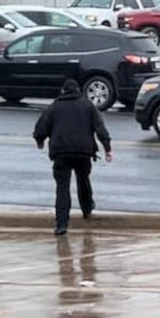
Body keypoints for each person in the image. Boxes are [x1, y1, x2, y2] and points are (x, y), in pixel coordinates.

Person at [33, 79, 113, 236]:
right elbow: (100, 128)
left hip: (61, 153)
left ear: (63, 91)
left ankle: (61, 224)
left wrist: (40, 141)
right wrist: (107, 148)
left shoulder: (54, 106)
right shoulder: (87, 105)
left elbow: (40, 128)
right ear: (78, 90)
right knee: (83, 180)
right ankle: (87, 208)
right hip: (84, 152)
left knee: (62, 188)